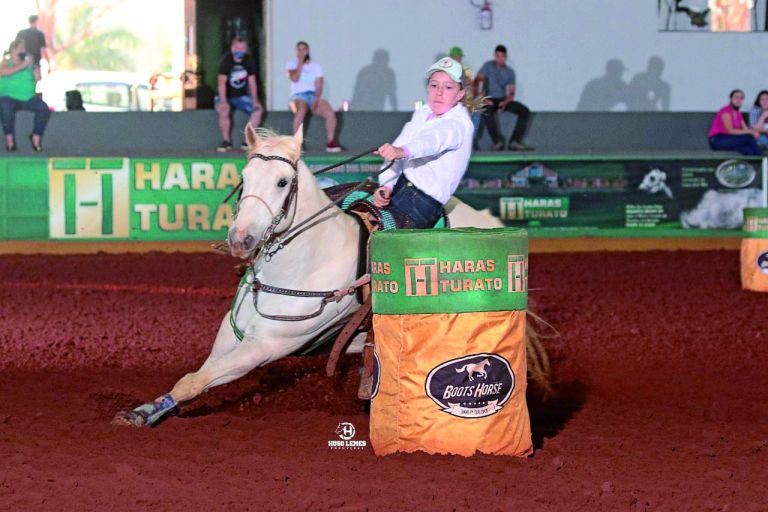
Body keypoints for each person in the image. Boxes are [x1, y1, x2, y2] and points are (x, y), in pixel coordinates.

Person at [372, 57, 473, 228]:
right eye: (434, 85)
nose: (439, 92)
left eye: (448, 87)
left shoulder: (458, 124)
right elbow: (398, 148)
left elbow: (432, 142)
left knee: (382, 242)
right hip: (402, 186)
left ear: (460, 94)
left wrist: (402, 151)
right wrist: (387, 185)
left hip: (422, 203)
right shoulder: (423, 113)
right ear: (428, 87)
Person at [473, 44, 533, 151]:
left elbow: (511, 93)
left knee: (524, 111)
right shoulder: (488, 66)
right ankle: (497, 142)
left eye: (502, 56)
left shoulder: (510, 72)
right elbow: (476, 82)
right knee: (485, 110)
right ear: (494, 56)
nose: (499, 59)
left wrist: (505, 102)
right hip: (489, 99)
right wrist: (482, 98)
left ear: (506, 57)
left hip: (502, 99)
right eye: (497, 56)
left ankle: (514, 141)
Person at [286, 41, 342, 152]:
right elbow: (294, 78)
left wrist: (316, 98)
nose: (301, 52)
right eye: (299, 49)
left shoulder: (315, 66)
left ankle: (331, 142)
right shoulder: (291, 64)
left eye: (303, 49)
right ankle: (297, 143)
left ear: (307, 51)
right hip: (297, 96)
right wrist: (300, 62)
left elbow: (319, 84)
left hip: (312, 95)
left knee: (329, 112)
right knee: (301, 110)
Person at [0, 39, 51, 152]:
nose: (23, 51)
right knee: (4, 106)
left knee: (43, 108)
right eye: (20, 48)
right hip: (9, 97)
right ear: (13, 50)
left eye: (24, 48)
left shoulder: (28, 64)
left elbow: (38, 79)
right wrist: (23, 65)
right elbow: (3, 72)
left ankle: (35, 138)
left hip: (28, 98)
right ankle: (10, 141)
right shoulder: (5, 62)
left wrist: (34, 66)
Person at [216, 36, 263, 152]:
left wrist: (255, 100)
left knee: (258, 111)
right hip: (225, 95)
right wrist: (223, 101)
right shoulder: (226, 60)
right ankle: (226, 141)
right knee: (224, 110)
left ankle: (247, 141)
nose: (240, 51)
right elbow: (221, 83)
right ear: (232, 48)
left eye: (242, 48)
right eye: (237, 48)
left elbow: (252, 83)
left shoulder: (248, 60)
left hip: (242, 96)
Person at [707, 89, 761, 156]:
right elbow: (730, 131)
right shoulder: (726, 111)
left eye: (741, 98)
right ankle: (762, 160)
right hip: (717, 140)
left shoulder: (738, 114)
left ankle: (754, 165)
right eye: (736, 97)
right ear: (731, 98)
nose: (738, 100)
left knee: (748, 149)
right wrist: (751, 132)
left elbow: (745, 129)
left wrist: (754, 131)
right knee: (748, 138)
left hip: (730, 139)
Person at [15, 15, 50, 80]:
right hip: (35, 64)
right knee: (33, 83)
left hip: (20, 63)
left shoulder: (21, 33)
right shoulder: (40, 34)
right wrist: (49, 64)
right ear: (36, 21)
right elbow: (44, 51)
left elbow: (14, 48)